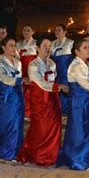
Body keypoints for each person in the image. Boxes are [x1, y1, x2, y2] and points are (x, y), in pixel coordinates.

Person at [56, 39, 89, 171]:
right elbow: (85, 84)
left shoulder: (88, 65)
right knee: (78, 131)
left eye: (88, 47)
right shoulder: (76, 66)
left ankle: (87, 158)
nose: (88, 50)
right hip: (79, 103)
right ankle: (77, 160)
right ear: (77, 51)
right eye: (85, 48)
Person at [17, 38, 69, 166]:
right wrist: (58, 87)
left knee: (54, 126)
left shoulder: (52, 63)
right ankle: (38, 155)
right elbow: (41, 83)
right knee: (40, 128)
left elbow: (52, 78)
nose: (48, 48)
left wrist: (56, 89)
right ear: (37, 49)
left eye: (49, 46)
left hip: (53, 99)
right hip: (40, 101)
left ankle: (51, 155)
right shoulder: (33, 66)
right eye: (44, 45)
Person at [0, 37, 24, 161]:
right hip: (6, 98)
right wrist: (20, 81)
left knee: (18, 124)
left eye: (15, 45)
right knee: (7, 124)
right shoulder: (0, 62)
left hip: (18, 96)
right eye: (11, 45)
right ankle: (5, 153)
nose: (14, 48)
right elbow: (3, 78)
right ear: (3, 48)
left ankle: (15, 152)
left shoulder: (18, 62)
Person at [51, 23, 74, 115]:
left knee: (65, 86)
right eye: (56, 30)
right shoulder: (52, 43)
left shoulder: (70, 42)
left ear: (65, 32)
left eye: (59, 30)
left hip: (65, 67)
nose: (57, 32)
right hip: (55, 68)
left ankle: (67, 108)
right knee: (56, 86)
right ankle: (57, 107)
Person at [16, 25, 37, 117]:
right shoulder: (18, 44)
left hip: (33, 69)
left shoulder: (36, 43)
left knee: (33, 90)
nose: (26, 32)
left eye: (28, 30)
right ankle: (25, 111)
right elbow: (16, 58)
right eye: (24, 30)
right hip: (22, 69)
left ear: (33, 32)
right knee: (23, 90)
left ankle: (33, 111)